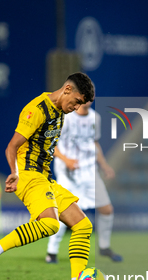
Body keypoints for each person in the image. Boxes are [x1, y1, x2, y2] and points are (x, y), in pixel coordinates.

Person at [0, 72, 95, 280]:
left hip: (44, 178)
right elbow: (11, 147)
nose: (77, 107)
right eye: (77, 101)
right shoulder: (37, 110)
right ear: (67, 90)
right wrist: (14, 173)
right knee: (51, 225)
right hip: (28, 175)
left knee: (82, 225)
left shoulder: (60, 111)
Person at [45, 100, 122, 263]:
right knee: (63, 212)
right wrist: (66, 160)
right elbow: (52, 144)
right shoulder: (65, 118)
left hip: (89, 171)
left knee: (107, 209)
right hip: (68, 173)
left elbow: (94, 144)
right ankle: (51, 252)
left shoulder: (96, 118)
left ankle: (104, 247)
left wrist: (105, 166)